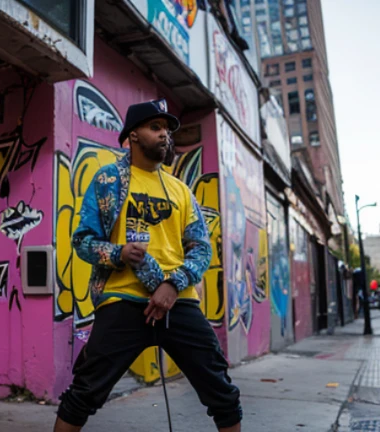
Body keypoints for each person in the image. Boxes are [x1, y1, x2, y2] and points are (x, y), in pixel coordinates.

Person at [54, 99, 242, 432]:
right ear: (133, 135)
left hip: (180, 301)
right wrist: (118, 254)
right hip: (122, 300)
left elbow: (201, 249)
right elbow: (82, 242)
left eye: (167, 130)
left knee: (222, 390)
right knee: (84, 392)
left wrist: (173, 284)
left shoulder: (181, 191)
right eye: (155, 128)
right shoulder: (109, 181)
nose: (164, 135)